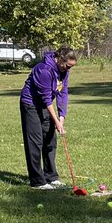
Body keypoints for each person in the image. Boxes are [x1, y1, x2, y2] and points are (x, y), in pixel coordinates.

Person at [19, 46, 78, 189]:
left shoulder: (64, 71)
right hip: (31, 104)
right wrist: (56, 122)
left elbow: (63, 93)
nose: (69, 69)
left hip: (45, 105)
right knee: (35, 141)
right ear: (60, 59)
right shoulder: (44, 70)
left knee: (50, 140)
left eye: (72, 67)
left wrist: (62, 117)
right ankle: (37, 181)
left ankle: (51, 176)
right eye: (67, 65)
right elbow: (46, 99)